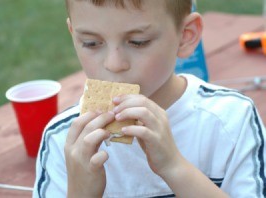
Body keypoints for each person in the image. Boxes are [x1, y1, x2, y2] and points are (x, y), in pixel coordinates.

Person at [33, 0, 266, 197]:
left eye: (138, 42)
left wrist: (175, 168)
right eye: (91, 43)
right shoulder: (64, 139)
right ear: (73, 34)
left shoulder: (232, 121)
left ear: (186, 36)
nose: (114, 64)